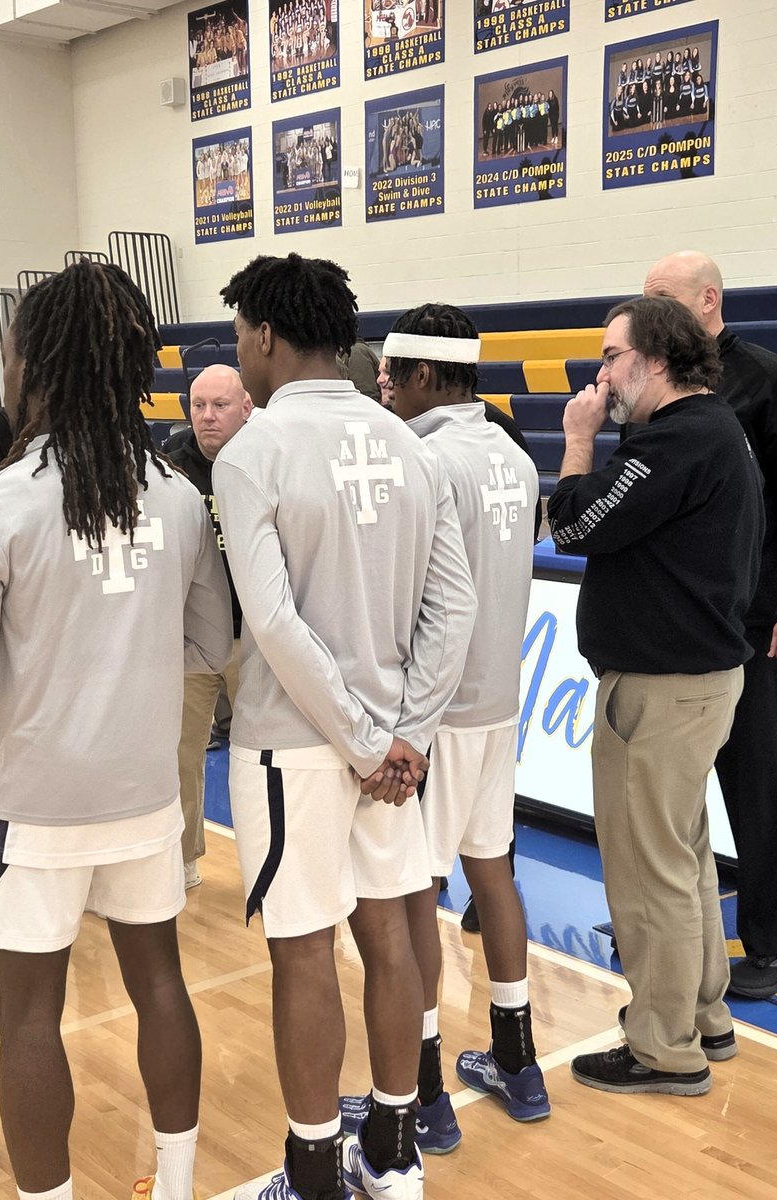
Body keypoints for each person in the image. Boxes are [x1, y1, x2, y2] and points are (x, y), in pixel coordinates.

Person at [0, 261, 231, 1200]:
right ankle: (174, 1187)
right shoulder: (178, 495)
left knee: (28, 1018)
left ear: (36, 362)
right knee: (161, 984)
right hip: (145, 795)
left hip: (37, 806)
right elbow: (213, 642)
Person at [212, 254, 476, 1200]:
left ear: (269, 336)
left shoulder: (252, 451)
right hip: (396, 752)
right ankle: (396, 1157)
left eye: (242, 332)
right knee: (393, 936)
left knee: (305, 948)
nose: (238, 350)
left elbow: (273, 625)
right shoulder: (411, 445)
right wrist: (405, 736)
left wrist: (368, 742)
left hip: (297, 746)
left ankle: (316, 1172)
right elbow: (457, 604)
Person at [339, 303, 544, 1154]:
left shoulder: (422, 459)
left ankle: (421, 1091)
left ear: (427, 375)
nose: (382, 388)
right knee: (492, 872)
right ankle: (518, 1059)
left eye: (390, 375)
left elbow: (430, 603)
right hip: (501, 705)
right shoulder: (515, 455)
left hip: (439, 713)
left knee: (414, 897)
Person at [549, 297, 762, 1096]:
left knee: (648, 873)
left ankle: (663, 1045)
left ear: (657, 360)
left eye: (611, 356)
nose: (601, 374)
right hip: (698, 681)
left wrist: (577, 442)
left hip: (662, 690)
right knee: (685, 859)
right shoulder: (714, 430)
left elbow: (573, 524)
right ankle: (703, 1015)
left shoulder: (674, 442)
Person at [642, 251, 777, 1000]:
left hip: (752, 620)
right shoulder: (653, 381)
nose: (647, 306)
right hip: (679, 619)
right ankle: (677, 936)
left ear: (708, 300)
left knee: (756, 784)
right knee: (672, 792)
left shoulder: (770, 381)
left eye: (661, 296)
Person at [167, 364, 252, 889]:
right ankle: (182, 860)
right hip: (190, 639)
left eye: (220, 405)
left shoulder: (264, 457)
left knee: (266, 758)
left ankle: (277, 862)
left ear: (246, 407)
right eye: (198, 406)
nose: (207, 416)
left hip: (256, 638)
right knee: (179, 754)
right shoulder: (169, 466)